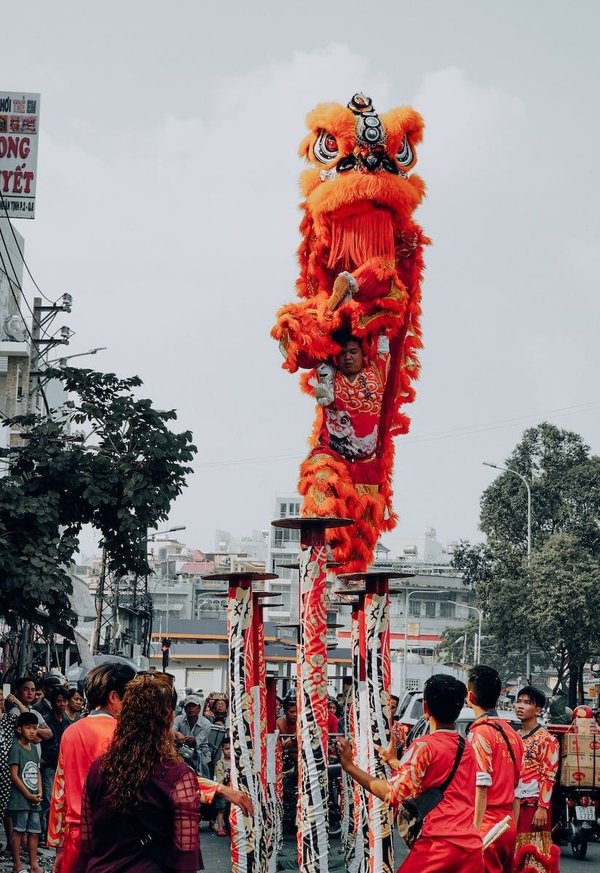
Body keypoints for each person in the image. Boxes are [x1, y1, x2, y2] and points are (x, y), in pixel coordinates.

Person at [79, 672, 252, 872]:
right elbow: (186, 852)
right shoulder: (178, 776)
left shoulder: (98, 768)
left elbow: (87, 839)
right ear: (168, 718)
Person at [338, 674, 483, 872]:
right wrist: (393, 761)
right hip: (470, 846)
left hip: (437, 847)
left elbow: (392, 793)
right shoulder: (465, 746)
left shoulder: (424, 746)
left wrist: (350, 767)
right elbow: (432, 776)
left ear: (425, 708)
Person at [299, 329, 393, 571]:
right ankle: (322, 544)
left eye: (353, 352)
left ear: (364, 354)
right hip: (333, 455)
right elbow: (307, 351)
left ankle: (351, 583)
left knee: (362, 534)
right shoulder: (327, 374)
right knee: (320, 478)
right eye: (342, 354)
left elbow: (385, 329)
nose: (347, 358)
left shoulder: (378, 370)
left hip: (367, 464)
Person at [47, 662, 137, 873]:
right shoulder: (124, 733)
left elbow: (60, 790)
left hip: (74, 835)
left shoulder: (71, 731)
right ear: (114, 697)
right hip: (111, 836)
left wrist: (56, 839)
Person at [467, 666, 524, 873]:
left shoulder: (480, 733)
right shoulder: (514, 734)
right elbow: (518, 790)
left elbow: (480, 787)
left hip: (486, 826)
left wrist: (473, 833)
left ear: (470, 696)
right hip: (508, 825)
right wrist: (513, 830)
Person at [513, 686, 560, 872]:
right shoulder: (514, 737)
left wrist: (542, 807)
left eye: (527, 703)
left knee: (535, 853)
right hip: (514, 803)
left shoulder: (548, 740)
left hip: (534, 806)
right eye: (519, 701)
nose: (520, 706)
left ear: (538, 710)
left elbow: (549, 775)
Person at [7, 713, 43, 873]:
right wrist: (28, 795)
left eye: (35, 728)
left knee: (34, 832)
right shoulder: (16, 748)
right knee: (19, 831)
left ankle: (33, 864)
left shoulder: (34, 748)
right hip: (21, 799)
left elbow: (37, 771)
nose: (32, 731)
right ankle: (17, 865)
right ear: (19, 729)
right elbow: (14, 775)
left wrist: (39, 791)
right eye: (28, 728)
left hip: (35, 798)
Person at [40, 685, 69, 844]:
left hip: (61, 764)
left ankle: (52, 835)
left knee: (59, 801)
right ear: (53, 703)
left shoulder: (66, 721)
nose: (62, 704)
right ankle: (42, 835)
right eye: (59, 701)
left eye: (64, 701)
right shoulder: (46, 719)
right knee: (47, 800)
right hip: (49, 765)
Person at [0, 687, 26, 849]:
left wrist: (16, 701)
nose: (1, 699)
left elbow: (26, 718)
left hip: (6, 771)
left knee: (7, 809)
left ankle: (11, 844)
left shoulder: (9, 718)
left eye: (2, 696)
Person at [8, 678, 53, 753]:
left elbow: (49, 734)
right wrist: (40, 732)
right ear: (17, 692)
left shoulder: (35, 712)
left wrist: (32, 728)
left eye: (33, 690)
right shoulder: (13, 712)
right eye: (26, 689)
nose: (30, 693)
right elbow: (35, 739)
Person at [172, 694, 212, 776]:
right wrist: (177, 733)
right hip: (180, 752)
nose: (191, 709)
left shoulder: (206, 723)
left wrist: (193, 740)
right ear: (184, 709)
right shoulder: (178, 719)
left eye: (194, 706)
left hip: (200, 754)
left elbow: (198, 742)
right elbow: (170, 731)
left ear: (199, 709)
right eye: (188, 706)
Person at [212, 736, 232, 837]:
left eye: (231, 748)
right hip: (223, 789)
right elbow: (218, 778)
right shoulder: (220, 763)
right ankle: (220, 827)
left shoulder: (235, 763)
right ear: (222, 750)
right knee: (221, 809)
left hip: (233, 789)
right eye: (227, 749)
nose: (229, 751)